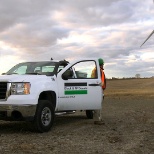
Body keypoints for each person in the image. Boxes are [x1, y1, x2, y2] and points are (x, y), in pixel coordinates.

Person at [91, 58, 106, 125]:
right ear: (100, 64)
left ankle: (99, 118)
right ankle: (97, 119)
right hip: (98, 89)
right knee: (98, 104)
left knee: (99, 104)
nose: (103, 65)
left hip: (99, 89)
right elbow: (97, 80)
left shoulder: (98, 70)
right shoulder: (97, 70)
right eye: (102, 64)